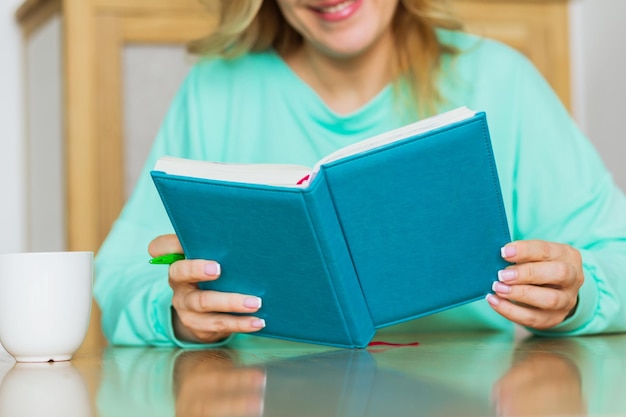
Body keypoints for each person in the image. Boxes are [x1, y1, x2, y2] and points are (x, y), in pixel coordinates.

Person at [94, 0, 626, 347]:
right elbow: (118, 276)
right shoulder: (213, 92)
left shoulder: (500, 78)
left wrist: (578, 294)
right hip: (260, 392)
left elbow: (616, 252)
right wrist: (179, 312)